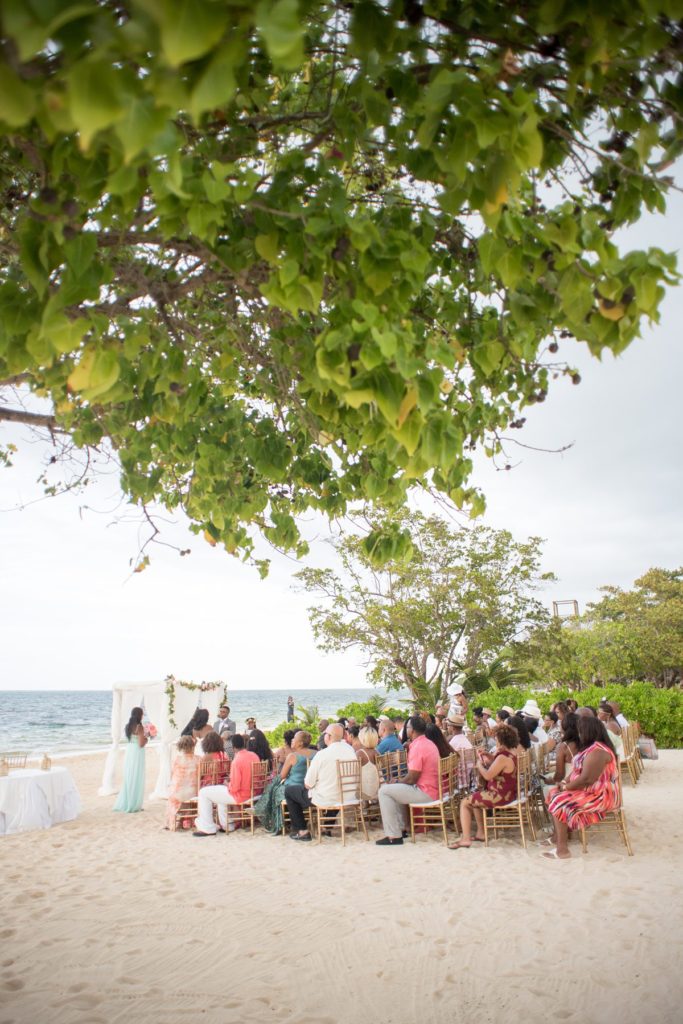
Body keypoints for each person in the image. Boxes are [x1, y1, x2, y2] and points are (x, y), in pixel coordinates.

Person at [544, 717, 619, 860]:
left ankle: (562, 850)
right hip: (588, 791)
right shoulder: (591, 748)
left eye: (580, 730)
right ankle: (560, 836)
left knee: (560, 801)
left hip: (600, 795)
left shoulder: (598, 751)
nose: (578, 733)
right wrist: (565, 782)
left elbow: (587, 779)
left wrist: (566, 787)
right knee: (553, 794)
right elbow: (576, 771)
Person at [450, 723, 520, 849]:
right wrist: (489, 756)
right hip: (508, 794)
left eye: (496, 738)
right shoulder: (511, 753)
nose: (495, 740)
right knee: (475, 799)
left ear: (502, 740)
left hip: (499, 796)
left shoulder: (502, 757)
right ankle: (480, 833)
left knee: (464, 803)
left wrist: (479, 765)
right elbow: (500, 765)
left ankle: (465, 839)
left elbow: (487, 776)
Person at [375, 715, 440, 847]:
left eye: (407, 727)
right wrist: (399, 782)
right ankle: (402, 829)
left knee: (384, 791)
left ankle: (394, 835)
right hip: (432, 788)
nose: (406, 730)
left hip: (425, 792)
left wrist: (398, 781)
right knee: (393, 790)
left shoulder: (418, 746)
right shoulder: (428, 743)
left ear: (412, 730)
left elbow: (412, 778)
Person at [285, 723, 356, 841]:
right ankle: (326, 827)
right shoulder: (350, 750)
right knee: (334, 789)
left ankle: (302, 830)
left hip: (327, 797)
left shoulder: (322, 754)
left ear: (328, 737)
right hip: (348, 795)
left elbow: (308, 784)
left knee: (290, 792)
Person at [193, 734, 259, 836]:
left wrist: (227, 784)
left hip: (240, 795)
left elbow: (234, 788)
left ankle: (207, 827)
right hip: (253, 792)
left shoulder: (237, 761)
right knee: (219, 795)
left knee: (203, 793)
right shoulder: (254, 755)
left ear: (233, 747)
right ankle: (227, 825)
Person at [254, 730, 316, 834]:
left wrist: (273, 780)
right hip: (311, 788)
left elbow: (282, 775)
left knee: (274, 789)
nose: (292, 740)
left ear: (300, 743)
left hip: (293, 788)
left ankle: (275, 822)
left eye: (295, 738)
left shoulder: (292, 756)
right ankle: (260, 808)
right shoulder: (316, 754)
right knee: (274, 787)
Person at [113, 707, 148, 813]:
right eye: (142, 714)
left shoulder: (128, 726)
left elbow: (133, 739)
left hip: (130, 751)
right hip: (137, 752)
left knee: (129, 777)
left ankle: (129, 802)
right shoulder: (139, 727)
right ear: (140, 715)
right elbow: (141, 743)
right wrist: (147, 738)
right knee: (136, 777)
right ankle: (134, 805)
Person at [164, 736, 198, 830]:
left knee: (171, 797)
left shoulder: (177, 759)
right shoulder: (198, 759)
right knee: (187, 797)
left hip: (177, 793)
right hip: (193, 793)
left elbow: (172, 776)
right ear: (193, 746)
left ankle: (170, 823)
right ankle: (185, 821)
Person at [356, 726, 380, 800]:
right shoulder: (377, 753)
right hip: (376, 788)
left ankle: (364, 803)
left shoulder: (359, 753)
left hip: (364, 791)